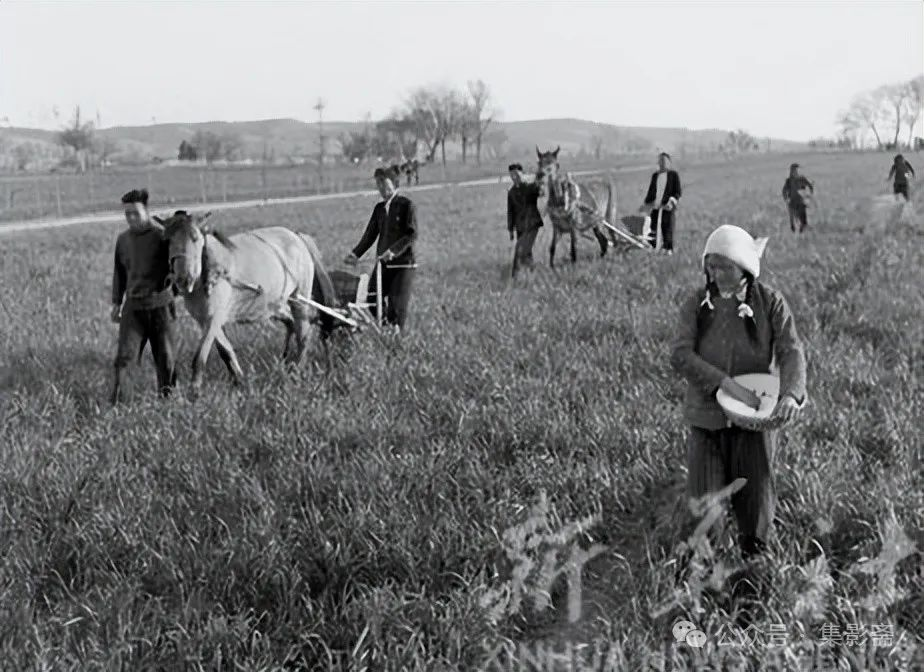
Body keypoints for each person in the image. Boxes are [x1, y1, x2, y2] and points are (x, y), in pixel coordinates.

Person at [670, 225, 807, 568]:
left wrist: (791, 394)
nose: (715, 274)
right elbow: (681, 354)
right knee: (705, 503)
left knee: (755, 499)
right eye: (711, 266)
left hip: (756, 418)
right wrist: (722, 384)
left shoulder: (770, 302)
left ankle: (755, 568)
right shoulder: (696, 305)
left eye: (724, 267)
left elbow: (792, 351)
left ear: (744, 268)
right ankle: (701, 576)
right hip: (706, 417)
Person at [109, 188, 178, 404]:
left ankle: (169, 401)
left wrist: (173, 291)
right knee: (124, 359)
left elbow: (177, 265)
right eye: (127, 214)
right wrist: (116, 303)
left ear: (146, 212)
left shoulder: (161, 237)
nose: (131, 218)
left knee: (166, 358)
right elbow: (119, 273)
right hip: (133, 310)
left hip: (161, 308)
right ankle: (122, 404)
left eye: (135, 213)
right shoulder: (123, 240)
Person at [343, 166, 418, 332]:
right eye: (378, 184)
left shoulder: (407, 205)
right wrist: (355, 254)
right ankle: (386, 329)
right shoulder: (379, 209)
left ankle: (395, 334)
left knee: (396, 306)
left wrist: (393, 251)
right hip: (383, 265)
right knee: (371, 298)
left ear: (395, 183)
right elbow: (370, 235)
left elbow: (411, 234)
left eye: (384, 184)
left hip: (402, 266)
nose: (382, 189)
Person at [641, 152, 682, 254]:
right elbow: (651, 191)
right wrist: (646, 203)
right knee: (652, 227)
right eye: (660, 161)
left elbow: (678, 192)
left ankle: (668, 248)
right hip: (655, 206)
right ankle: (653, 246)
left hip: (667, 206)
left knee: (667, 227)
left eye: (664, 161)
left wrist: (672, 201)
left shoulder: (673, 175)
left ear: (669, 162)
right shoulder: (655, 176)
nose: (662, 163)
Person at [506, 163, 543, 276]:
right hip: (520, 226)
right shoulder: (511, 192)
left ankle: (514, 276)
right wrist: (511, 230)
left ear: (522, 174)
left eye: (516, 174)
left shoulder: (529, 187)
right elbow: (510, 212)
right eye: (512, 175)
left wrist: (539, 175)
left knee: (520, 249)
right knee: (526, 252)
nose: (514, 177)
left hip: (532, 224)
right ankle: (532, 271)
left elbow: (539, 191)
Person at [781, 163, 814, 233]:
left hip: (800, 201)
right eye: (793, 170)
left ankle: (803, 228)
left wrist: (809, 193)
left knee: (802, 217)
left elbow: (810, 186)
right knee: (792, 219)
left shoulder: (802, 179)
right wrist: (786, 199)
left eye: (796, 170)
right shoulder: (789, 181)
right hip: (792, 201)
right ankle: (794, 229)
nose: (795, 172)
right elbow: (784, 191)